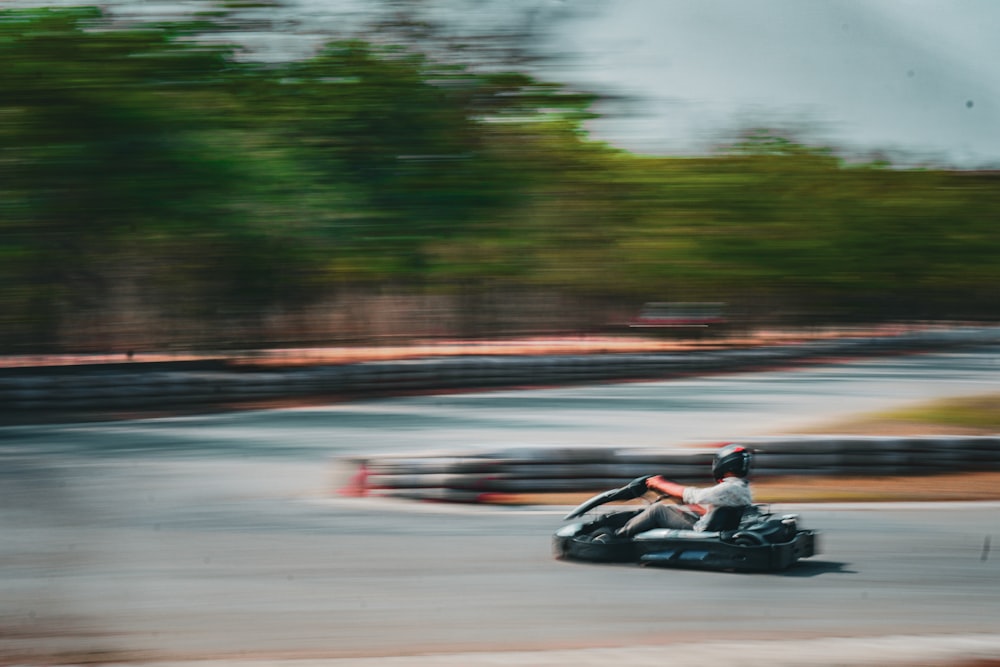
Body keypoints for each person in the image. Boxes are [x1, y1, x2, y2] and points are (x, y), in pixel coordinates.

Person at [603, 444, 754, 540]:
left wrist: (660, 483)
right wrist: (677, 498)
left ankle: (617, 538)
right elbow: (712, 512)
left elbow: (694, 495)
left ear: (724, 464)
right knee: (670, 509)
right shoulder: (742, 487)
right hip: (712, 526)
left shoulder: (730, 488)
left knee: (658, 510)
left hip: (703, 530)